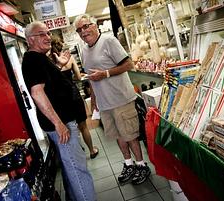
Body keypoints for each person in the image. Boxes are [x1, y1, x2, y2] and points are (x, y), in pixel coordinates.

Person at [21, 21, 96, 201]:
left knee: (71, 167)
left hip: (63, 121)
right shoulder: (32, 59)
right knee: (78, 169)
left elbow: (51, 87)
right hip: (60, 124)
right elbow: (37, 93)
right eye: (42, 34)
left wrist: (60, 66)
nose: (48, 37)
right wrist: (58, 124)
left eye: (48, 33)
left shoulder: (40, 58)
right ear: (30, 39)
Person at [74, 14, 151, 185]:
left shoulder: (108, 41)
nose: (83, 31)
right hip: (104, 103)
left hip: (121, 99)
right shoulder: (84, 49)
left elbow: (128, 64)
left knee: (130, 135)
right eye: (79, 30)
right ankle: (129, 164)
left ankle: (141, 165)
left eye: (86, 26)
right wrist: (94, 101)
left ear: (94, 25)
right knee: (117, 136)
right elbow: (91, 77)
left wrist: (106, 73)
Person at [50, 37, 99, 159]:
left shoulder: (50, 63)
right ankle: (92, 150)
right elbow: (77, 76)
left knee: (70, 128)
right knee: (83, 126)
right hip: (73, 95)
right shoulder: (70, 58)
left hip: (60, 100)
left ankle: (78, 153)